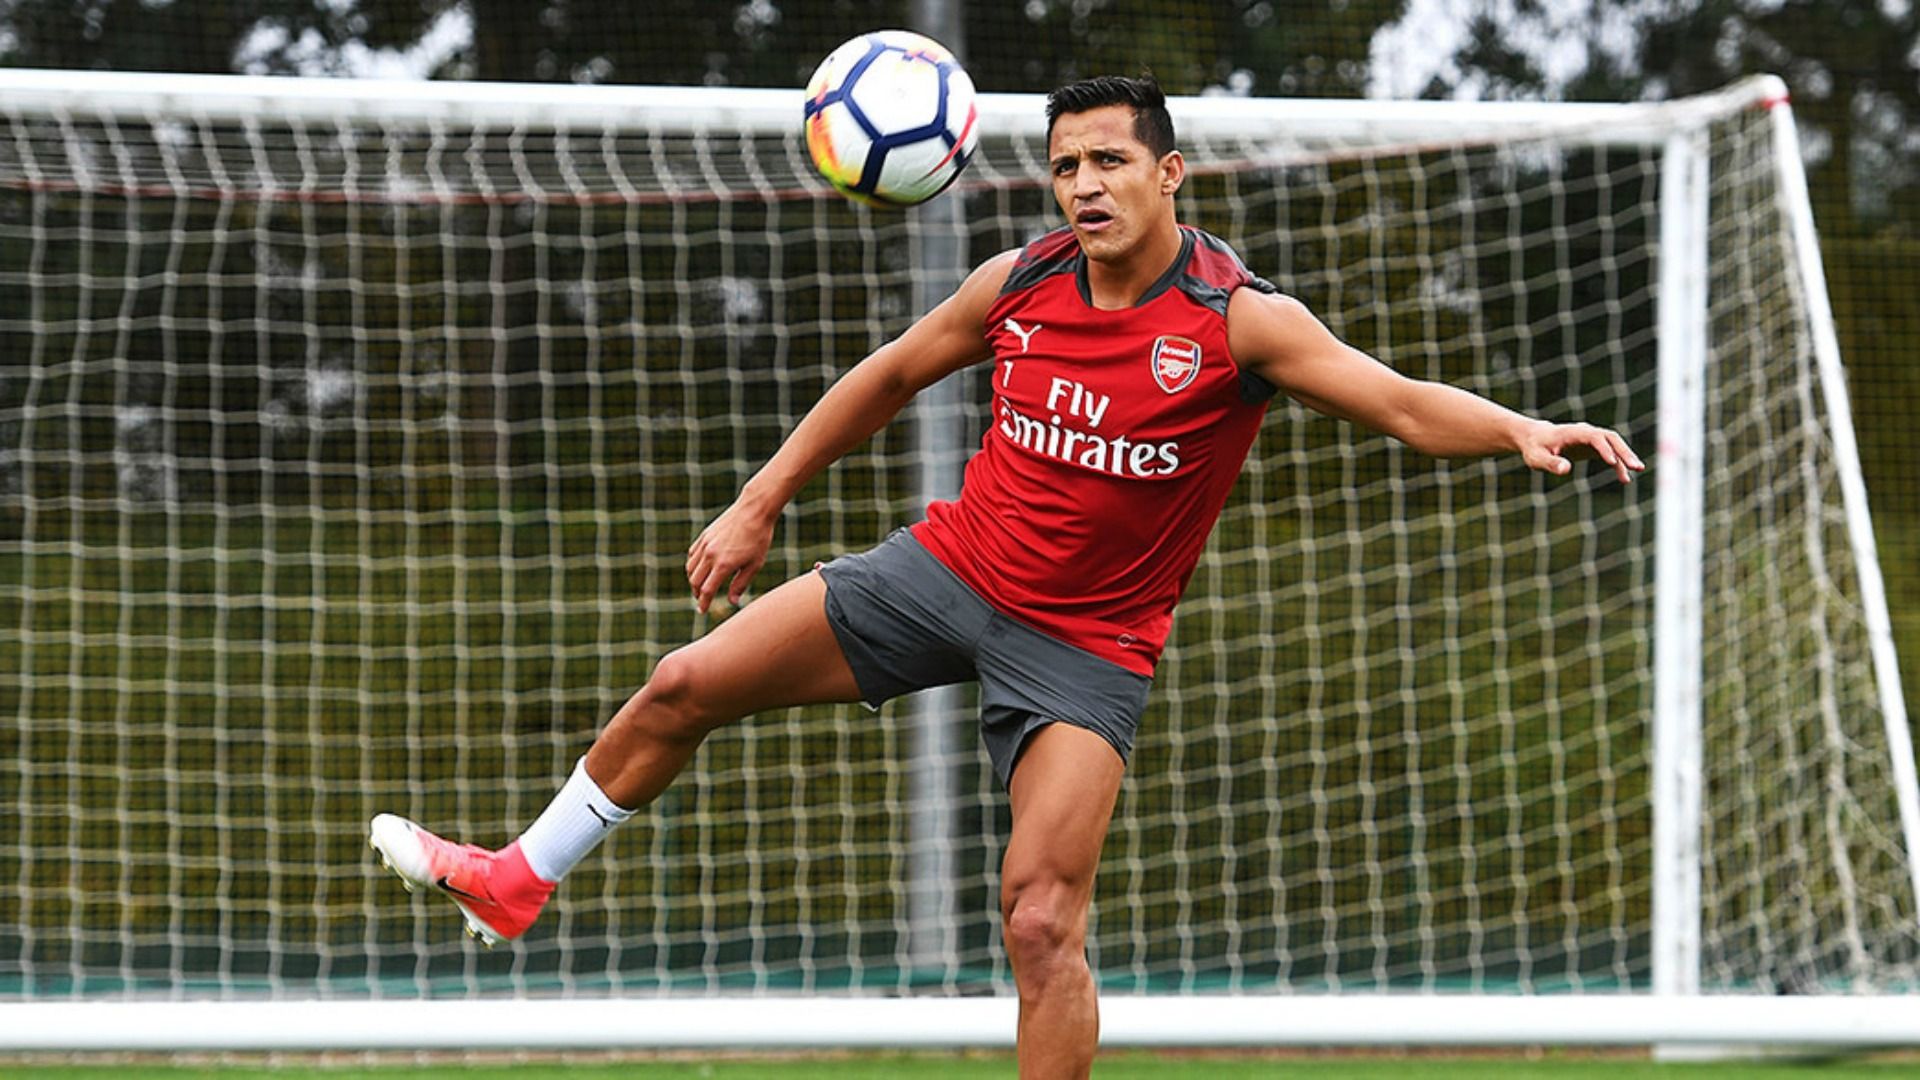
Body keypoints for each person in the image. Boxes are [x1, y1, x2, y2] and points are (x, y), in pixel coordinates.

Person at [371, 74, 1643, 1077]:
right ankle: (519, 878)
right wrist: (760, 502)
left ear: (1170, 175)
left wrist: (1519, 427)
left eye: (1111, 162)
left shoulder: (1237, 318)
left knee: (1039, 921)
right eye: (1067, 165)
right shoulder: (1021, 280)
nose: (1085, 186)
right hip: (947, 570)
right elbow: (886, 376)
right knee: (682, 682)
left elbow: (1404, 404)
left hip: (1087, 646)